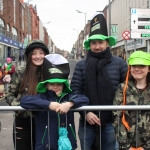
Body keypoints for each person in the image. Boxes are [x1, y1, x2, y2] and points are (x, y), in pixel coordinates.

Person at [71, 13, 128, 150]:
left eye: (101, 42)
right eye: (94, 43)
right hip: (87, 124)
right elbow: (74, 92)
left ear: (107, 43)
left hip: (111, 123)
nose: (97, 47)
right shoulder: (81, 65)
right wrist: (86, 112)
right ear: (89, 44)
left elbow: (127, 90)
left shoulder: (120, 64)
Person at [20, 54, 89, 150]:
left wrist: (70, 104)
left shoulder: (68, 97)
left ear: (63, 86)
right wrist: (48, 104)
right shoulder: (42, 97)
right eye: (52, 84)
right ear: (46, 85)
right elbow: (24, 101)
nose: (55, 87)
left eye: (59, 84)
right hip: (45, 144)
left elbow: (84, 99)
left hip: (67, 142)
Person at [5, 39, 49, 150]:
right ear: (29, 56)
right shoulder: (20, 72)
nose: (38, 56)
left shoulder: (50, 72)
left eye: (41, 53)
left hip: (45, 122)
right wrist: (17, 106)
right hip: (23, 122)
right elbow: (9, 93)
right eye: (34, 53)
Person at [113, 51, 150, 150]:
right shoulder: (122, 88)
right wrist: (126, 146)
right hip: (127, 146)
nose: (137, 69)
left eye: (141, 66)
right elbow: (117, 116)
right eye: (134, 66)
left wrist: (146, 147)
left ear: (149, 68)